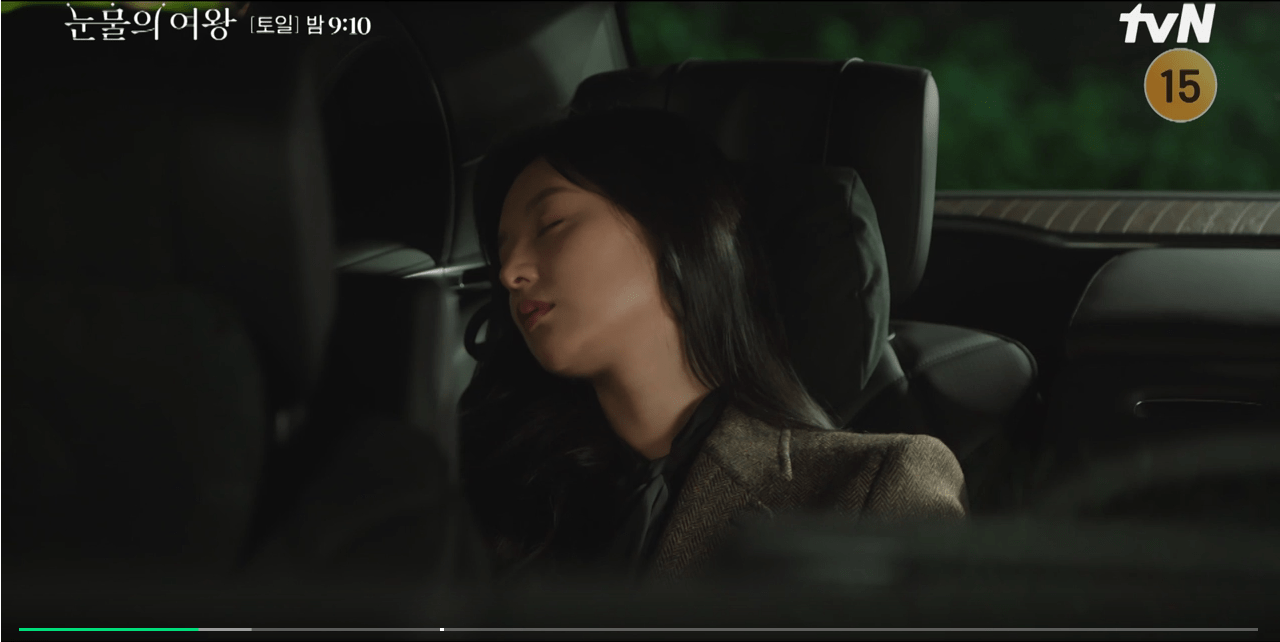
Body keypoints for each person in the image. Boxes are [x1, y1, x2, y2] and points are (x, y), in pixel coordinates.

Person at [459, 107, 966, 584]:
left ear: (675, 231)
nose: (509, 273)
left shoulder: (872, 490)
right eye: (502, 253)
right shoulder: (495, 503)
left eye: (551, 224)